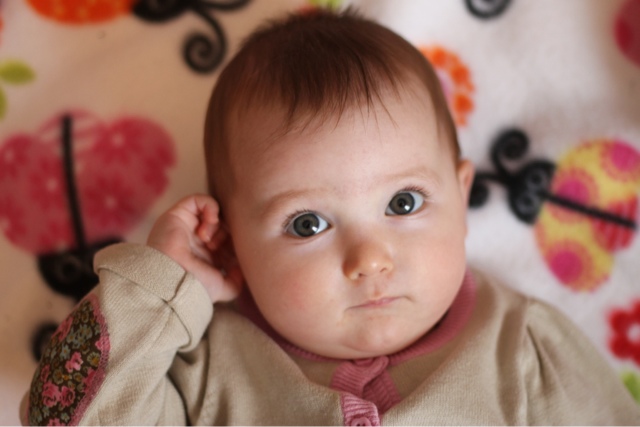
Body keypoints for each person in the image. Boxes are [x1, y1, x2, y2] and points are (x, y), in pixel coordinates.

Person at [22, 8, 640, 425]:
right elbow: (60, 416)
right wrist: (163, 290)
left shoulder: (525, 348)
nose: (369, 260)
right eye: (307, 224)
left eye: (403, 203)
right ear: (230, 245)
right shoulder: (204, 365)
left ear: (460, 199)